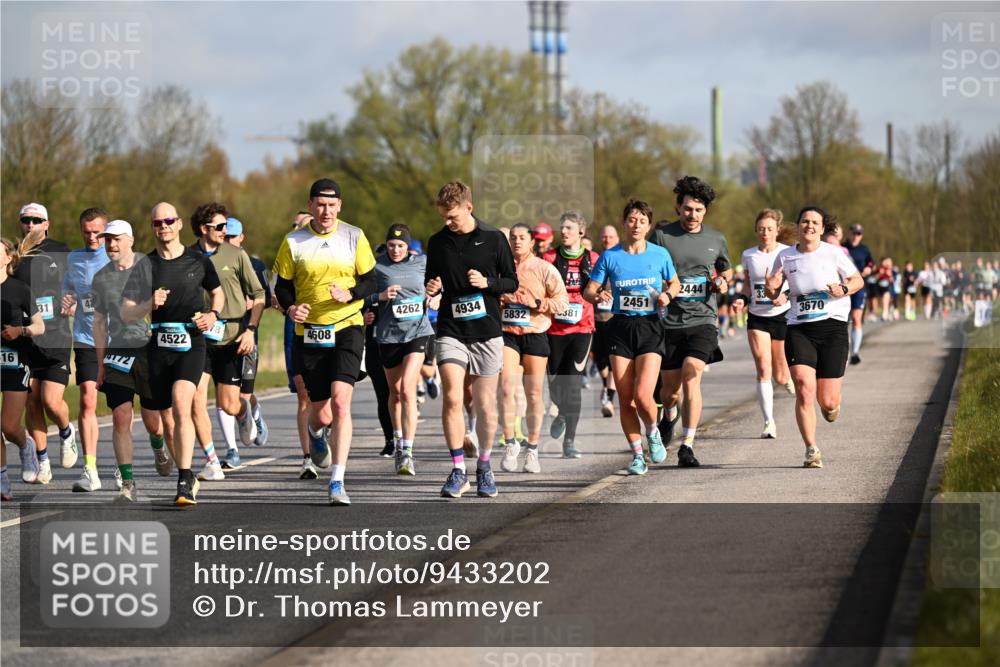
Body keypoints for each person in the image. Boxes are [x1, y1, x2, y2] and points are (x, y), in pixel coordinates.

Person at [273, 179, 377, 506]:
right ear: (311, 204)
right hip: (311, 332)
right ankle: (316, 435)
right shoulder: (294, 241)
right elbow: (283, 286)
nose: (326, 211)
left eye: (332, 206)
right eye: (320, 205)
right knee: (322, 413)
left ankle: (337, 481)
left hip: (348, 326)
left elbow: (371, 278)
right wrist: (291, 307)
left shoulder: (354, 236)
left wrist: (352, 294)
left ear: (340, 206)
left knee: (341, 403)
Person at [122, 202, 224, 506]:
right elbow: (126, 311)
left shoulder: (198, 260)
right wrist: (148, 304)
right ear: (153, 228)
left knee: (183, 403)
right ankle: (180, 466)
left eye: (168, 220)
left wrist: (213, 314)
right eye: (157, 222)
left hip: (191, 342)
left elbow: (216, 292)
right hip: (157, 346)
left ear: (179, 224)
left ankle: (184, 477)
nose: (163, 226)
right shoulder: (145, 265)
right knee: (159, 417)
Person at [425, 181, 517, 498]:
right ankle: (458, 470)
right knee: (452, 396)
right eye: (444, 217)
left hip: (487, 331)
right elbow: (432, 278)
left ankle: (485, 466)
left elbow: (510, 281)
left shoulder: (494, 239)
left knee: (485, 405)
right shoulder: (437, 242)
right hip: (451, 329)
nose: (448, 223)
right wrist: (432, 287)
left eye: (452, 217)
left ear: (469, 207)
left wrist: (487, 282)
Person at [583, 199, 678, 475]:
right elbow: (589, 290)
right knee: (626, 400)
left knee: (643, 395)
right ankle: (637, 455)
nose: (636, 225)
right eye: (631, 219)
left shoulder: (659, 255)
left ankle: (653, 431)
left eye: (642, 221)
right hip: (620, 328)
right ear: (624, 223)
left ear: (648, 225)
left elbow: (675, 282)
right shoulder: (610, 256)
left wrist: (667, 295)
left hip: (650, 327)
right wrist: (597, 294)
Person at [764, 207, 863, 468]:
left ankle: (830, 407)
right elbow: (774, 294)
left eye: (815, 222)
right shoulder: (785, 256)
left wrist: (843, 288)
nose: (809, 226)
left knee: (827, 401)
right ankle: (811, 449)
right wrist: (771, 288)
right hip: (800, 328)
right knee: (803, 387)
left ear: (822, 228)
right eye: (805, 221)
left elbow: (857, 280)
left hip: (832, 328)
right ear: (798, 226)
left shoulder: (834, 253)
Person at [649, 176, 732, 467]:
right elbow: (649, 267)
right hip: (669, 322)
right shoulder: (662, 237)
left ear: (705, 211)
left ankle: (688, 444)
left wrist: (722, 282)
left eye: (697, 210)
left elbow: (726, 270)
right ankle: (669, 415)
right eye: (687, 209)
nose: (692, 215)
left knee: (692, 372)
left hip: (703, 319)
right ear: (678, 207)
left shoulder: (716, 238)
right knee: (669, 392)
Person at [92, 220, 173, 501]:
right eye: (107, 240)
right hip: (119, 352)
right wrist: (100, 364)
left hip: (151, 350)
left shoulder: (150, 266)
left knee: (154, 420)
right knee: (120, 415)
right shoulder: (101, 278)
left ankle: (158, 444)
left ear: (130, 240)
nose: (111, 245)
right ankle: (128, 483)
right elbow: (99, 322)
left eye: (116, 240)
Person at [189, 203, 265, 482]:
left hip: (232, 335)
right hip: (199, 338)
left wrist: (251, 330)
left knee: (229, 404)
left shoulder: (236, 254)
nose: (225, 231)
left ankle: (248, 411)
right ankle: (211, 461)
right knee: (197, 398)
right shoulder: (187, 257)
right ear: (203, 229)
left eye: (225, 227)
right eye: (220, 227)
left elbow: (259, 295)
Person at [12, 203, 76, 484]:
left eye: (36, 220)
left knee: (51, 401)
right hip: (25, 339)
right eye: (26, 220)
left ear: (46, 224)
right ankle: (42, 461)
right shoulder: (13, 257)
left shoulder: (61, 251)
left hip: (55, 335)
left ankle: (66, 431)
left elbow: (79, 284)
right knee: (31, 403)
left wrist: (72, 299)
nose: (30, 225)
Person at [498, 224, 568, 474]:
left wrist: (536, 303)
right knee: (506, 387)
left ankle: (533, 448)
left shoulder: (544, 269)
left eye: (522, 238)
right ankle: (509, 443)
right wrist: (500, 298)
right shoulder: (499, 268)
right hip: (507, 333)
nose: (517, 241)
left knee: (534, 394)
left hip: (535, 333)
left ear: (531, 242)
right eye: (513, 238)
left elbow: (562, 301)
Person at [371, 224, 435, 475]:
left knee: (408, 389)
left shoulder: (422, 263)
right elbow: (365, 296)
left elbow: (439, 282)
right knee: (395, 392)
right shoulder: (376, 267)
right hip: (388, 336)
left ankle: (408, 451)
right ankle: (397, 440)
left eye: (401, 246)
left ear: (408, 247)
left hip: (418, 332)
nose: (396, 250)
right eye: (391, 245)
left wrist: (436, 293)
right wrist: (378, 299)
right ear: (386, 245)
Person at [730, 209, 794, 440]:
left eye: (769, 228)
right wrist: (742, 298)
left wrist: (784, 296)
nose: (765, 233)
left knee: (780, 375)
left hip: (782, 315)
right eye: (761, 229)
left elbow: (795, 282)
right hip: (757, 317)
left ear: (777, 230)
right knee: (763, 369)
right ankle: (769, 422)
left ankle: (786, 380)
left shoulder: (787, 253)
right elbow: (748, 284)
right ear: (756, 231)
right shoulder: (749, 255)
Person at [543, 211, 600, 458]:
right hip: (553, 329)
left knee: (573, 385)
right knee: (555, 386)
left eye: (568, 228)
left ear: (581, 232)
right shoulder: (548, 258)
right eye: (561, 227)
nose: (563, 232)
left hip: (582, 328)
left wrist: (602, 294)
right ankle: (562, 411)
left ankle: (570, 441)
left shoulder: (594, 259)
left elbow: (603, 287)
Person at [61, 208, 110, 491]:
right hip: (86, 338)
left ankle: (122, 463)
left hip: (116, 339)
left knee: (120, 407)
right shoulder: (74, 258)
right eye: (87, 232)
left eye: (97, 232)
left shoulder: (117, 257)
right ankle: (90, 469)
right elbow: (69, 288)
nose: (92, 237)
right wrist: (67, 300)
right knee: (88, 400)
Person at [1, 235, 45, 498]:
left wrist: (20, 330)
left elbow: (40, 326)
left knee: (8, 426)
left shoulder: (20, 289)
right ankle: (2, 479)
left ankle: (25, 444)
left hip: (15, 362)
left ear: (8, 258)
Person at [225, 217, 272, 446]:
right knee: (224, 395)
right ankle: (231, 450)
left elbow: (267, 300)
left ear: (241, 237)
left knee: (242, 395)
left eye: (232, 237)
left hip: (247, 336)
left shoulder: (256, 265)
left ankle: (254, 411)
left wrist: (249, 303)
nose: (228, 241)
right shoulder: (211, 262)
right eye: (224, 237)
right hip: (221, 337)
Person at [280, 211, 319, 479]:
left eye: (303, 224)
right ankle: (308, 458)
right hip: (297, 329)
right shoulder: (289, 250)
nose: (298, 228)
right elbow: (278, 290)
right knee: (304, 395)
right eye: (295, 224)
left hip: (331, 327)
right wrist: (285, 304)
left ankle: (323, 436)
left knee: (330, 395)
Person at [593, 224, 619, 417]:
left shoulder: (622, 259)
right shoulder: (594, 260)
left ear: (617, 239)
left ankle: (609, 398)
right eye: (604, 237)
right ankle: (605, 387)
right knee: (600, 360)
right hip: (595, 319)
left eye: (611, 237)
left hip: (615, 319)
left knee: (612, 360)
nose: (607, 240)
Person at [842, 223, 874, 365]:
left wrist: (868, 268)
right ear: (849, 233)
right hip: (843, 287)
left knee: (856, 318)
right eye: (854, 233)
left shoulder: (864, 249)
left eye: (859, 234)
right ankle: (844, 351)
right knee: (843, 320)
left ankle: (855, 352)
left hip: (859, 287)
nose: (856, 236)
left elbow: (871, 263)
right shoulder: (842, 248)